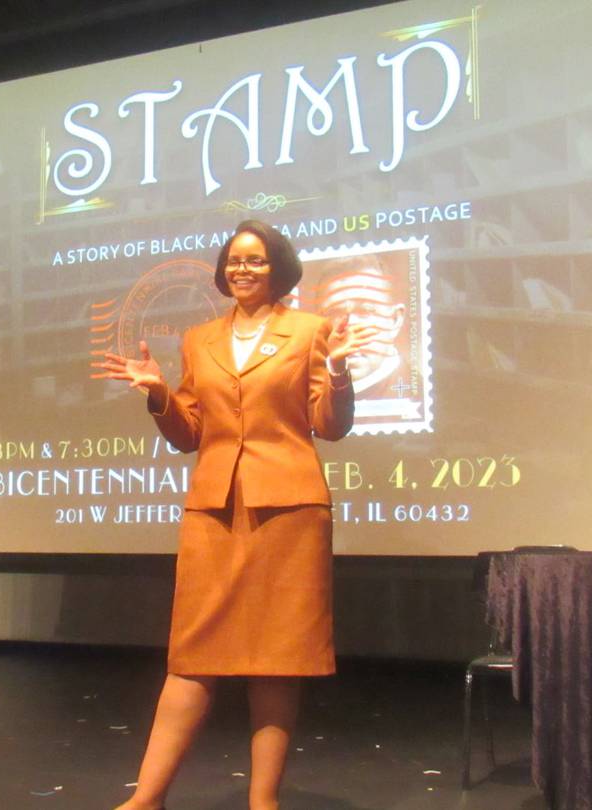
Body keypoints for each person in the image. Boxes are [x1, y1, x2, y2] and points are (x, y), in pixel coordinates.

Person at [95, 220, 379, 810]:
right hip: (216, 507)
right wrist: (159, 395)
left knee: (277, 658)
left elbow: (330, 425)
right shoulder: (199, 340)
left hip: (290, 508)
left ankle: (263, 802)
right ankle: (146, 799)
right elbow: (191, 433)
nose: (242, 270)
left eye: (255, 260)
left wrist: (343, 373)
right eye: (233, 261)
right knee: (192, 652)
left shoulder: (310, 331)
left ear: (278, 268)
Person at [313, 258, 409, 397]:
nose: (349, 329)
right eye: (335, 313)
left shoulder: (420, 397)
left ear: (394, 321)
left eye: (365, 311)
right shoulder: (304, 398)